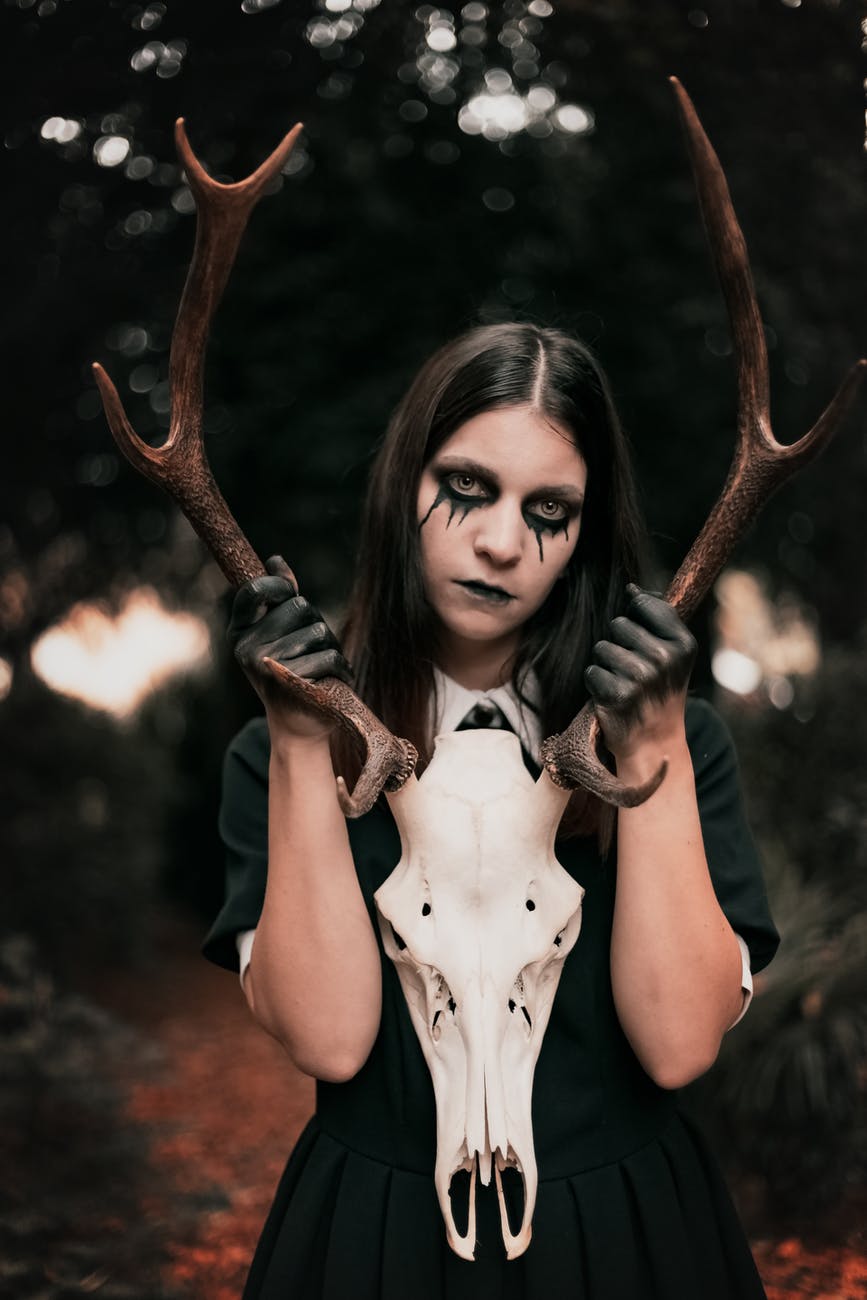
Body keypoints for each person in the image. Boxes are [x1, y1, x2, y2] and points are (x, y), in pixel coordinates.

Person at [203, 322, 779, 1299]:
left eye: (550, 507)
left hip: (629, 1240)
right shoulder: (273, 755)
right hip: (372, 1246)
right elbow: (330, 1039)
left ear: (586, 534)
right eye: (467, 486)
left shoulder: (686, 746)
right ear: (404, 486)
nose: (503, 541)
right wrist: (304, 747)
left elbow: (681, 1044)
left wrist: (654, 748)